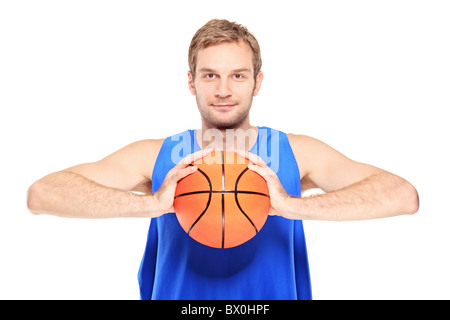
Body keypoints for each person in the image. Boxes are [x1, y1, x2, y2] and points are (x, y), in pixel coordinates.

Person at [26, 19, 419, 300]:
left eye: (238, 75)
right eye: (210, 75)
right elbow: (42, 194)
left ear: (257, 81)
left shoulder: (296, 152)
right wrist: (152, 203)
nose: (224, 90)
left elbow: (402, 196)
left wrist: (290, 206)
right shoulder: (158, 155)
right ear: (191, 81)